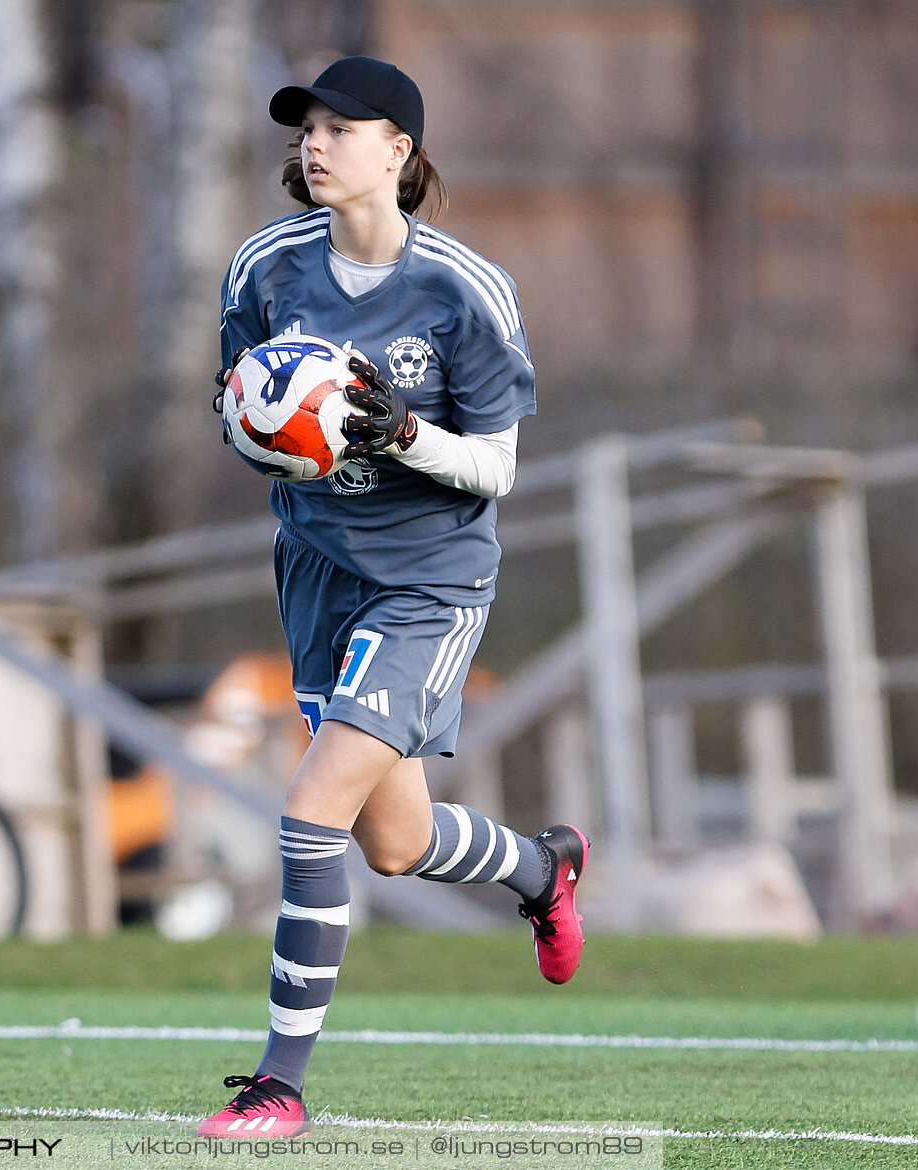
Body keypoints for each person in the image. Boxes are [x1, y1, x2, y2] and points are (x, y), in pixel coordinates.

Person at [200, 56, 589, 1137]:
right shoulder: (265, 269)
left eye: (339, 128)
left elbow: (501, 467)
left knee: (308, 812)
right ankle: (544, 870)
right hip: (319, 576)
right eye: (305, 129)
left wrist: (406, 434)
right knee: (393, 843)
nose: (314, 146)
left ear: (398, 152)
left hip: (430, 580)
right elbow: (240, 409)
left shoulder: (465, 290)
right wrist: (271, 432)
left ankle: (280, 1085)